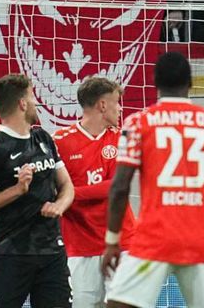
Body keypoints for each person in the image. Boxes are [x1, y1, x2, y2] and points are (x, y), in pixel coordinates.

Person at [102, 52, 204, 308]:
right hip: (199, 243)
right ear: (190, 83)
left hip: (154, 240)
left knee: (118, 304)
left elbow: (119, 187)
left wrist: (112, 240)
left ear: (155, 83)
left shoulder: (138, 123)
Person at [0, 73, 75, 308]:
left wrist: (59, 205)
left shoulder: (43, 138)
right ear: (22, 103)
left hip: (52, 253)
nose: (36, 102)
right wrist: (17, 190)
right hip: (12, 255)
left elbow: (67, 186)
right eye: (32, 97)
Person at [53, 77, 127, 308]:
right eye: (117, 102)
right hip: (79, 246)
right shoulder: (59, 142)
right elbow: (52, 190)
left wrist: (70, 194)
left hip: (122, 243)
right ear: (102, 105)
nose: (120, 108)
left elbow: (115, 187)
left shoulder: (122, 138)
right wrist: (64, 195)